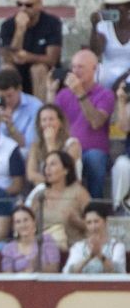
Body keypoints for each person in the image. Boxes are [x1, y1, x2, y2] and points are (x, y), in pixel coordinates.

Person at [53, 49, 113, 202]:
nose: (76, 71)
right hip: (67, 149)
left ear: (95, 69)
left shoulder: (105, 94)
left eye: (81, 67)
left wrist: (80, 94)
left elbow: (96, 122)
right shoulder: (63, 94)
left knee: (94, 159)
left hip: (92, 151)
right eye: (73, 67)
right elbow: (51, 122)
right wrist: (49, 92)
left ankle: (96, 206)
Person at [0, 0, 62, 96]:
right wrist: (20, 30)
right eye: (19, 4)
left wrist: (28, 57)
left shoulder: (52, 23)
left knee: (38, 69)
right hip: (18, 71)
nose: (23, 9)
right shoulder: (8, 25)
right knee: (6, 69)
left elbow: (52, 59)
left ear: (39, 5)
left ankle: (41, 111)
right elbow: (6, 57)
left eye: (28, 5)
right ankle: (5, 109)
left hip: (43, 73)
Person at [25, 103, 81, 197]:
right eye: (44, 120)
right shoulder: (35, 146)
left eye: (51, 119)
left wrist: (50, 143)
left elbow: (61, 172)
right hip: (43, 190)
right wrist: (49, 181)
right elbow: (31, 174)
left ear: (60, 122)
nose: (48, 123)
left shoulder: (72, 144)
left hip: (68, 190)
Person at [0, 67, 43, 152]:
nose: (6, 101)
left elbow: (28, 145)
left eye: (9, 96)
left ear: (19, 89)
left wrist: (10, 127)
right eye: (2, 97)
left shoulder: (35, 107)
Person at [63, 201, 126, 273]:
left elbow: (119, 272)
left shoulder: (117, 246)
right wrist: (89, 257)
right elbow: (68, 272)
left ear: (105, 221)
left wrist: (100, 256)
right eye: (89, 222)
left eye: (96, 221)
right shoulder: (79, 247)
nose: (93, 227)